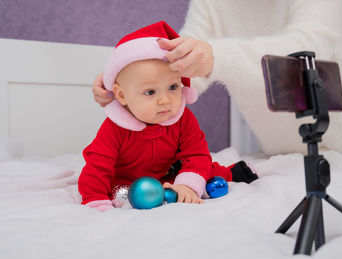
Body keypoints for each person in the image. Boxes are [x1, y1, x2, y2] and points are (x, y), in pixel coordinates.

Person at [92, 0, 342, 169]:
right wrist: (128, 80)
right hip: (281, 146)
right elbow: (186, 58)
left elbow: (309, 47)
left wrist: (217, 57)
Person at [79, 21, 258, 212]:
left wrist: (187, 186)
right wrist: (95, 199)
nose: (165, 100)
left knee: (203, 169)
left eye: (173, 87)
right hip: (129, 179)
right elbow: (97, 166)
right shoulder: (115, 127)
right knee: (120, 193)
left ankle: (232, 172)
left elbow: (196, 153)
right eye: (150, 92)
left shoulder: (183, 119)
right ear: (122, 95)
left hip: (168, 172)